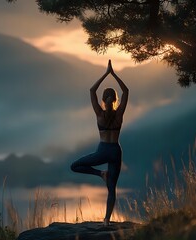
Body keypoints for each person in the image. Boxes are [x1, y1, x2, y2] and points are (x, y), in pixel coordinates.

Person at [70, 60, 129, 226]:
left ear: (103, 100)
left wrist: (105, 73)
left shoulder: (99, 114)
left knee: (75, 166)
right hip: (116, 151)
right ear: (115, 99)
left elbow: (91, 90)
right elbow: (126, 91)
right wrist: (114, 74)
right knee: (112, 189)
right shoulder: (119, 115)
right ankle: (106, 220)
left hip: (102, 150)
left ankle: (100, 174)